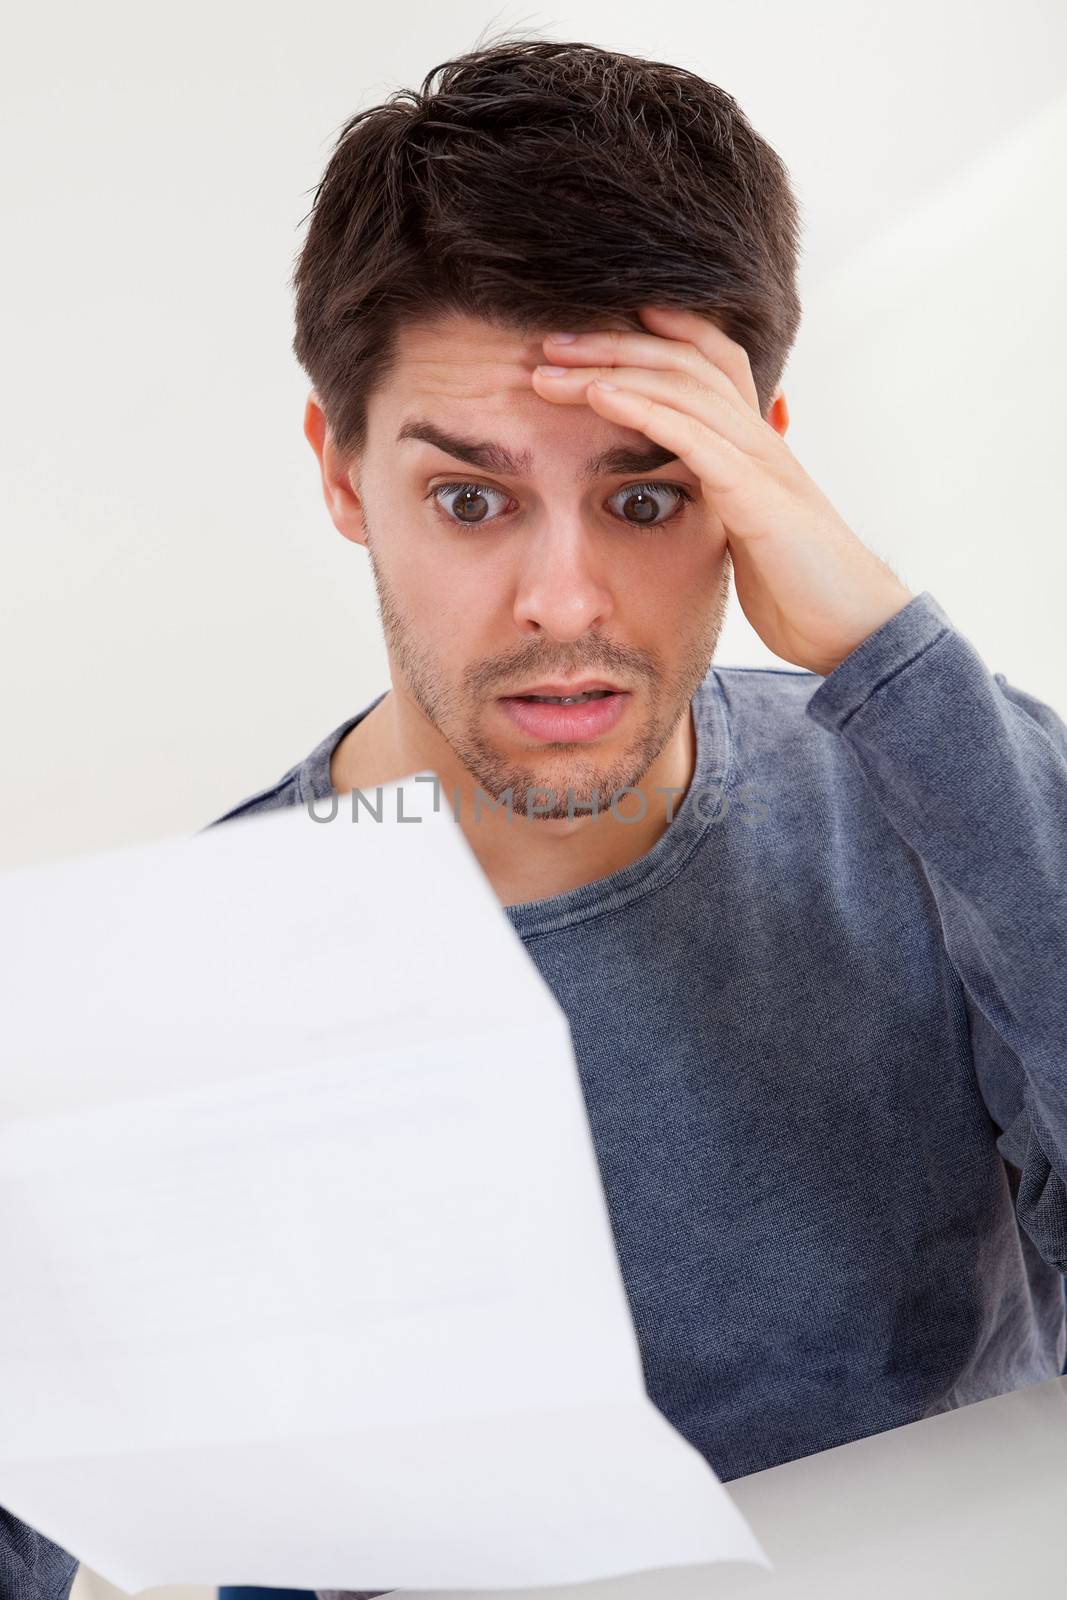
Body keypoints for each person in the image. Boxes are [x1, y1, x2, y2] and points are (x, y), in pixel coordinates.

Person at [8, 33, 1066, 1600]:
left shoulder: (941, 785)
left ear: (759, 468)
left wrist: (882, 652)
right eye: (471, 497)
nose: (563, 600)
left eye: (647, 493)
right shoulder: (155, 991)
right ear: (342, 470)